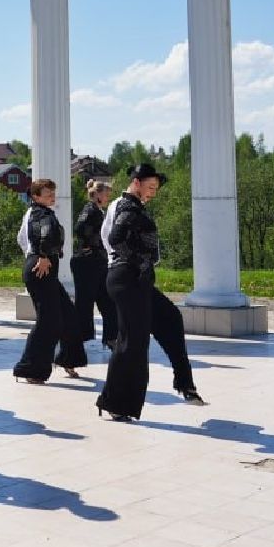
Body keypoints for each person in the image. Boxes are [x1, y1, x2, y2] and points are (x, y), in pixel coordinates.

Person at [96, 163, 205, 421]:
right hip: (128, 277)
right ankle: (115, 403)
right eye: (151, 187)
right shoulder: (127, 206)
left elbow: (107, 238)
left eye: (156, 188)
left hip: (130, 276)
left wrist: (134, 264)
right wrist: (138, 262)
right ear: (136, 182)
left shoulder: (122, 205)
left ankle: (185, 383)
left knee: (169, 318)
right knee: (132, 342)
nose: (154, 192)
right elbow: (115, 238)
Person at [12, 178, 85, 383]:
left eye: (53, 193)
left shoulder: (35, 212)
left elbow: (21, 239)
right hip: (40, 269)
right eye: (48, 194)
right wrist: (41, 255)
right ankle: (30, 369)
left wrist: (32, 254)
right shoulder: (40, 213)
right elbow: (41, 232)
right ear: (35, 196)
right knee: (48, 321)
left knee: (69, 315)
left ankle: (68, 359)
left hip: (42, 268)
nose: (52, 197)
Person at [70, 178, 117, 349]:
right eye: (106, 193)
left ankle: (111, 338)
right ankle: (77, 341)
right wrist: (91, 243)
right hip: (86, 263)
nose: (108, 197)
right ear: (97, 194)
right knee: (85, 303)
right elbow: (80, 228)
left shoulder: (97, 211)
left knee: (108, 300)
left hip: (98, 262)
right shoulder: (90, 210)